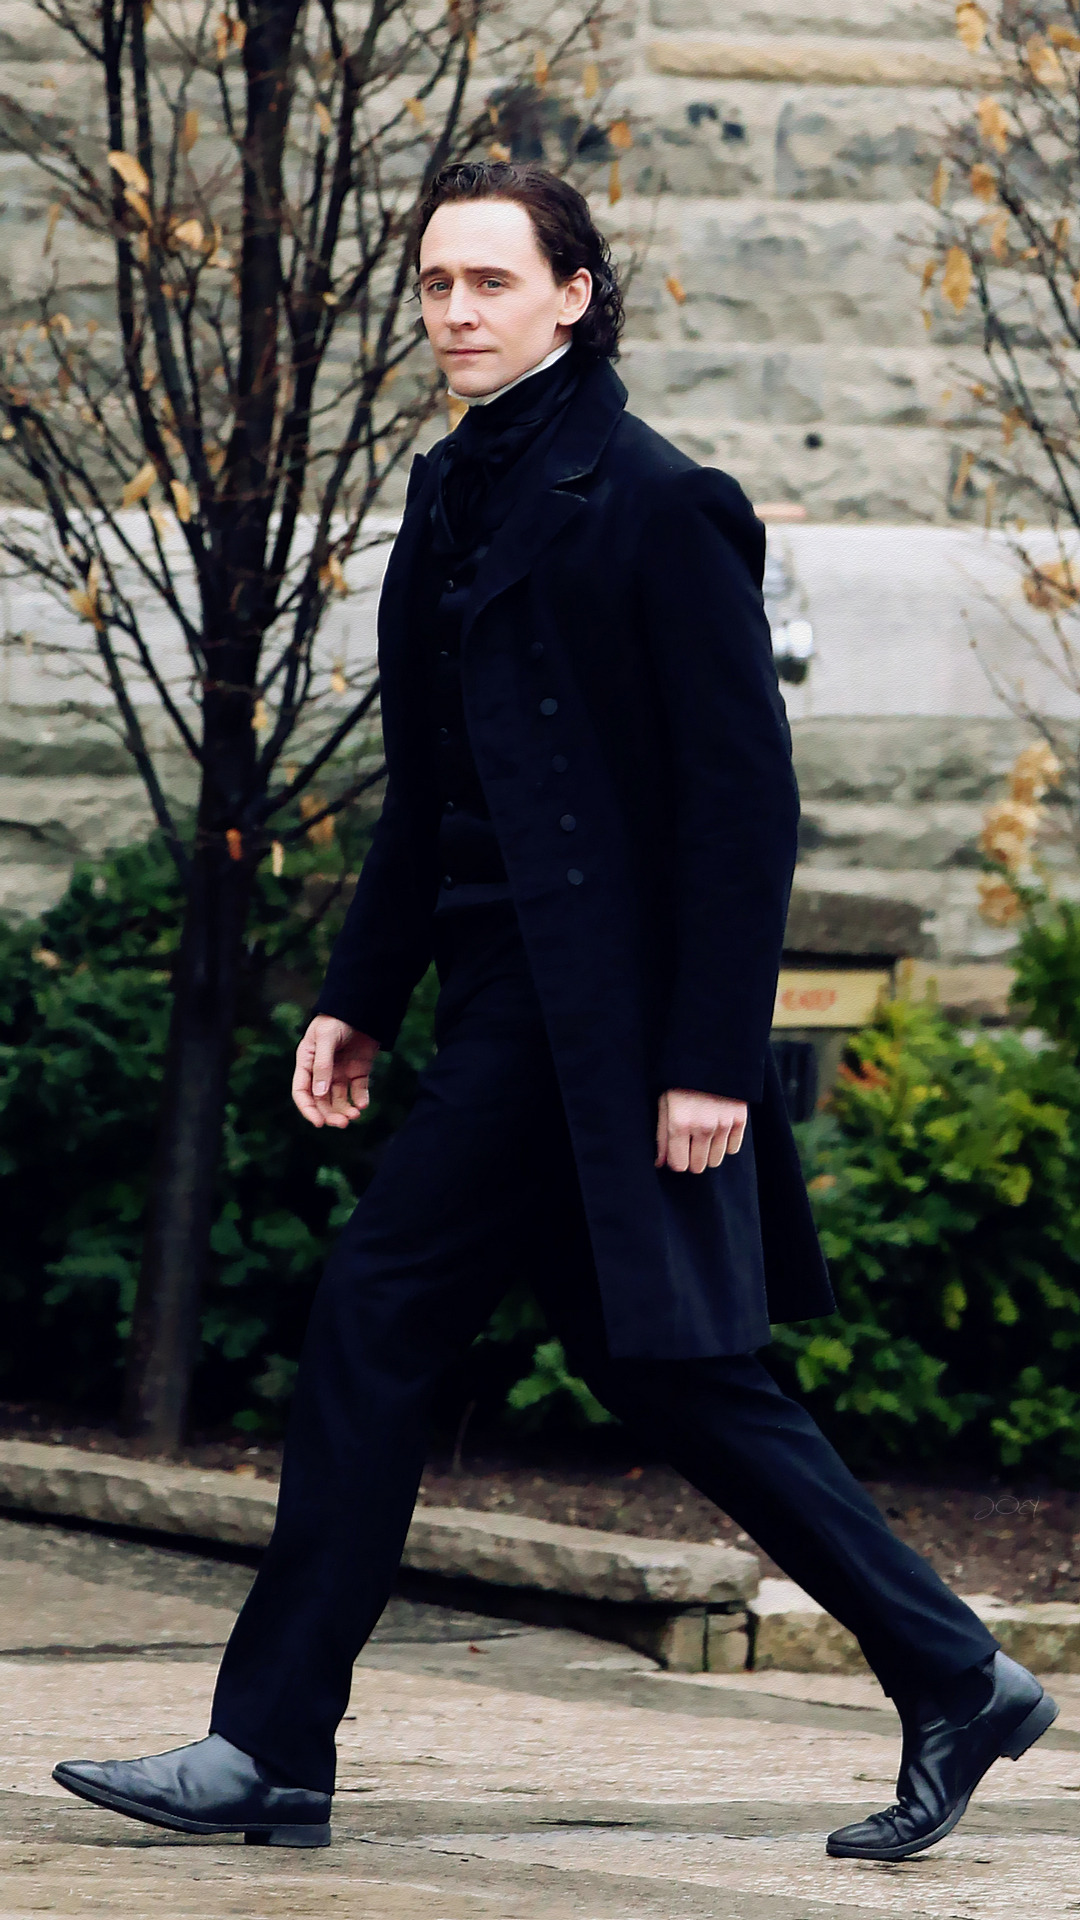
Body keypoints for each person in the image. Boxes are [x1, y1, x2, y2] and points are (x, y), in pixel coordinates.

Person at [53, 160, 1057, 1862]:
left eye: (490, 283)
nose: (455, 312)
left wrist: (710, 1058)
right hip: (498, 992)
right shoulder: (451, 493)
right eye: (436, 285)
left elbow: (743, 805)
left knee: (375, 1313)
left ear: (574, 295)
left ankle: (266, 1748)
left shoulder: (660, 502)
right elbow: (429, 790)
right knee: (671, 1376)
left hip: (597, 1014)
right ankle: (959, 1673)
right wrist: (360, 998)